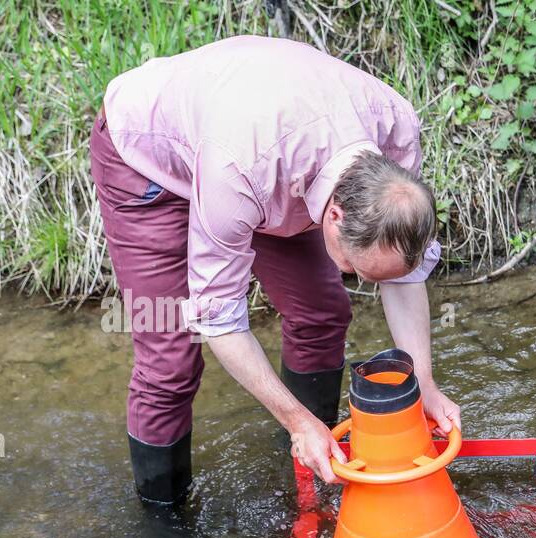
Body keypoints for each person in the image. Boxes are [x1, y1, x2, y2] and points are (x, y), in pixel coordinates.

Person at [90, 34, 461, 504]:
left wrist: (424, 383)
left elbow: (403, 272)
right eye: (357, 268)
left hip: (268, 148)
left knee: (322, 312)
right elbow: (218, 318)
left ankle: (311, 471)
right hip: (149, 159)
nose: (363, 283)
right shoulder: (239, 171)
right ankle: (165, 522)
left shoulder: (396, 131)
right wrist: (294, 419)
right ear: (335, 215)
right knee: (172, 358)